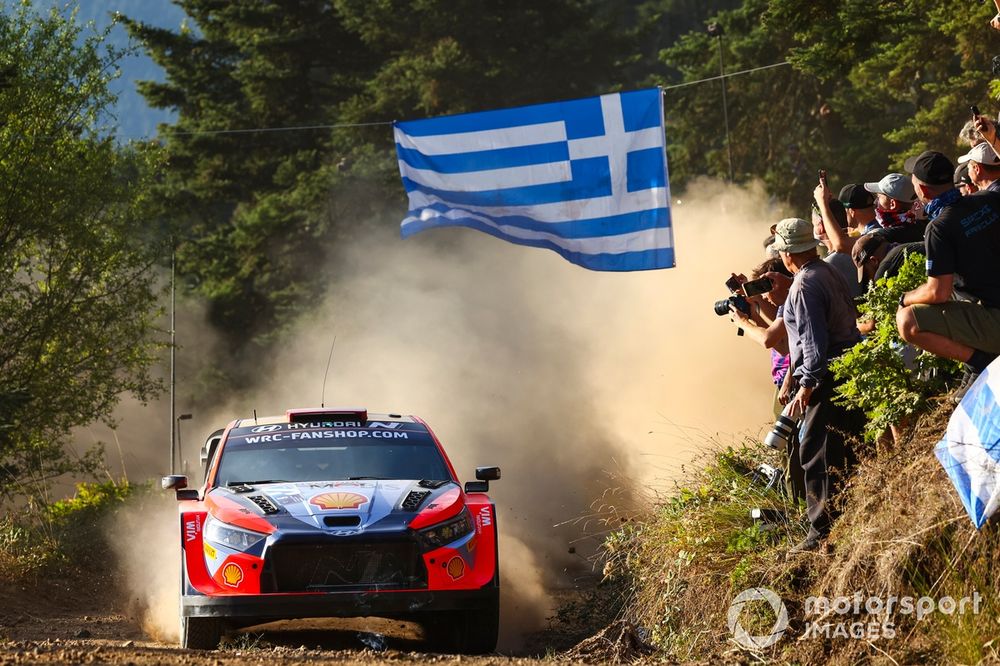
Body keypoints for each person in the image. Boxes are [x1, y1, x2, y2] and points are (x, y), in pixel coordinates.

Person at [772, 217, 864, 554]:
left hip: (827, 375)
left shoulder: (803, 286)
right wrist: (792, 377)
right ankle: (844, 522)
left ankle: (820, 532)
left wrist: (805, 387)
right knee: (843, 446)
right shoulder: (828, 271)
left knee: (816, 451)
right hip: (847, 368)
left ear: (786, 254)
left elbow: (813, 342)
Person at [897, 150, 1000, 401]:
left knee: (907, 320)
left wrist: (905, 297)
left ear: (923, 189)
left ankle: (978, 362)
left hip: (996, 318)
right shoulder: (988, 199)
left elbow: (937, 292)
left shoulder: (939, 226)